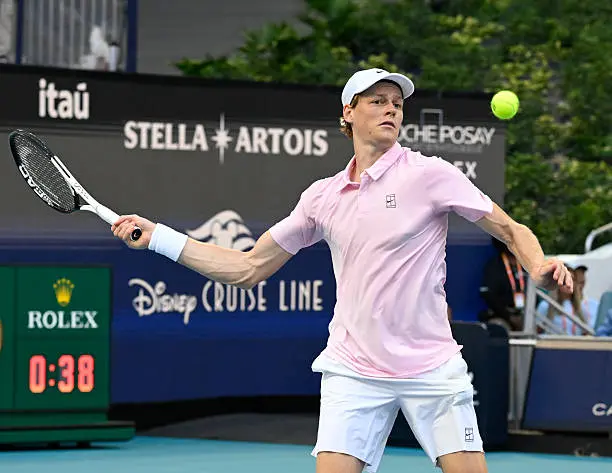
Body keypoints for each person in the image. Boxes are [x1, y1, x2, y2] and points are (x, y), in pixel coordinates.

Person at [111, 68, 573, 473]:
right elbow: (248, 267)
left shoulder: (430, 174)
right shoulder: (321, 198)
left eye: (397, 104)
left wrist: (538, 265)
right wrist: (159, 238)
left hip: (431, 365)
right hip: (354, 368)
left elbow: (510, 229)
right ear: (349, 112)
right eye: (378, 101)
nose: (391, 109)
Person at [478, 237, 526, 331]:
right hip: (501, 316)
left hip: (526, 314)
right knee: (499, 328)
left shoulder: (525, 265)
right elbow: (489, 296)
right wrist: (509, 317)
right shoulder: (494, 266)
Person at [536, 265, 597, 335]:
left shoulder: (582, 306)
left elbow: (586, 332)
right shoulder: (545, 305)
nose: (569, 282)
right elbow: (537, 332)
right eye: (564, 278)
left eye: (572, 279)